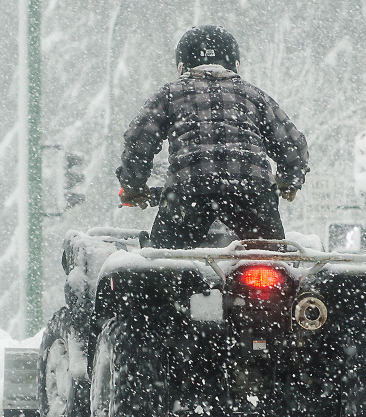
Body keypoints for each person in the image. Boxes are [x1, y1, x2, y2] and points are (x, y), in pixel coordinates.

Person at [116, 25, 309, 249]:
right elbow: (293, 145)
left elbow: (139, 142)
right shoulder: (254, 95)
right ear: (235, 63)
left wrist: (134, 186)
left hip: (189, 194)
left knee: (168, 264)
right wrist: (288, 181)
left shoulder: (169, 94)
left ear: (181, 65)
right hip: (253, 194)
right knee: (271, 260)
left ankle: (179, 281)